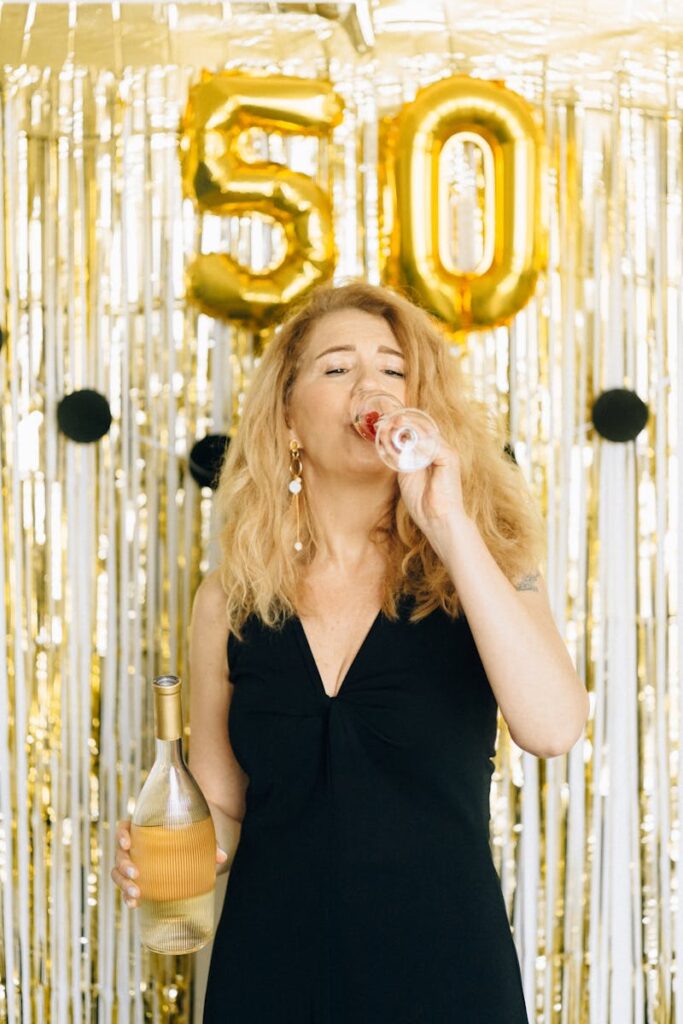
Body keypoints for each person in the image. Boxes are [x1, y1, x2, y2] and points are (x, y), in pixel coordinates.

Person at [112, 280, 589, 1022]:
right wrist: (175, 854)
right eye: (337, 368)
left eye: (393, 369)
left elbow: (552, 727)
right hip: (268, 978)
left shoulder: (484, 566)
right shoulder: (231, 597)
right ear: (288, 418)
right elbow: (222, 806)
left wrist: (450, 525)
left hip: (446, 977)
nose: (371, 385)